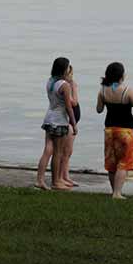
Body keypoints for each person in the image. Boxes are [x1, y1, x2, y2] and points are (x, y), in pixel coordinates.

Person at [95, 61, 133, 200]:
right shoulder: (128, 91)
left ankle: (114, 191)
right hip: (125, 131)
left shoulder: (102, 91)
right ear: (122, 76)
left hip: (109, 130)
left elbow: (99, 110)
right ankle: (117, 193)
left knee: (112, 163)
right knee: (124, 162)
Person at [35, 56, 80, 190]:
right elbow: (69, 106)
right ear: (64, 69)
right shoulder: (64, 85)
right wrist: (73, 123)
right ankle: (56, 181)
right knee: (58, 152)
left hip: (49, 117)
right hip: (59, 121)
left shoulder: (50, 81)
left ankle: (40, 179)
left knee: (47, 150)